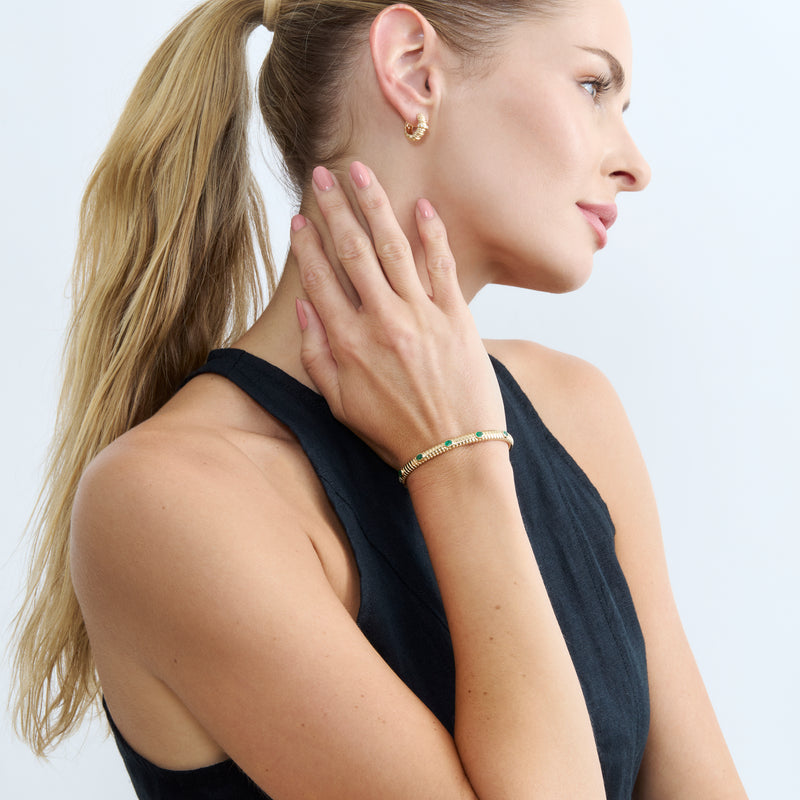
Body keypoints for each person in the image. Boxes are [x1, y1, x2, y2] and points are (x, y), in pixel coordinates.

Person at [11, 0, 748, 797]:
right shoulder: (169, 501)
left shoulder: (576, 411)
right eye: (593, 86)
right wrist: (458, 461)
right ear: (411, 70)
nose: (635, 164)